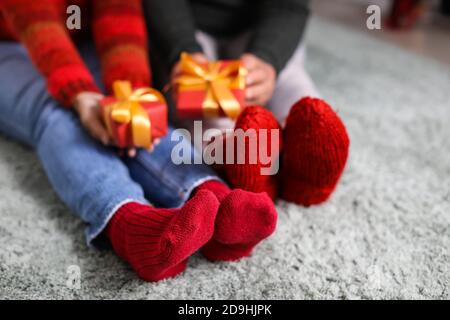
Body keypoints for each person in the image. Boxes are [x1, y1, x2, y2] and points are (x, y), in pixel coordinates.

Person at [0, 0, 277, 282]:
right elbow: (35, 19)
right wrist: (78, 92)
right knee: (56, 113)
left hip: (80, 36)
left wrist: (131, 98)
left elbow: (119, 12)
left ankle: (214, 199)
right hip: (8, 43)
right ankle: (129, 225)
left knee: (133, 110)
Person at [143, 0, 350, 206]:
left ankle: (308, 157)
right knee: (203, 106)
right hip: (188, 29)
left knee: (292, 84)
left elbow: (291, 7)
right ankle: (239, 159)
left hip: (262, 29)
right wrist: (181, 48)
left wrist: (268, 58)